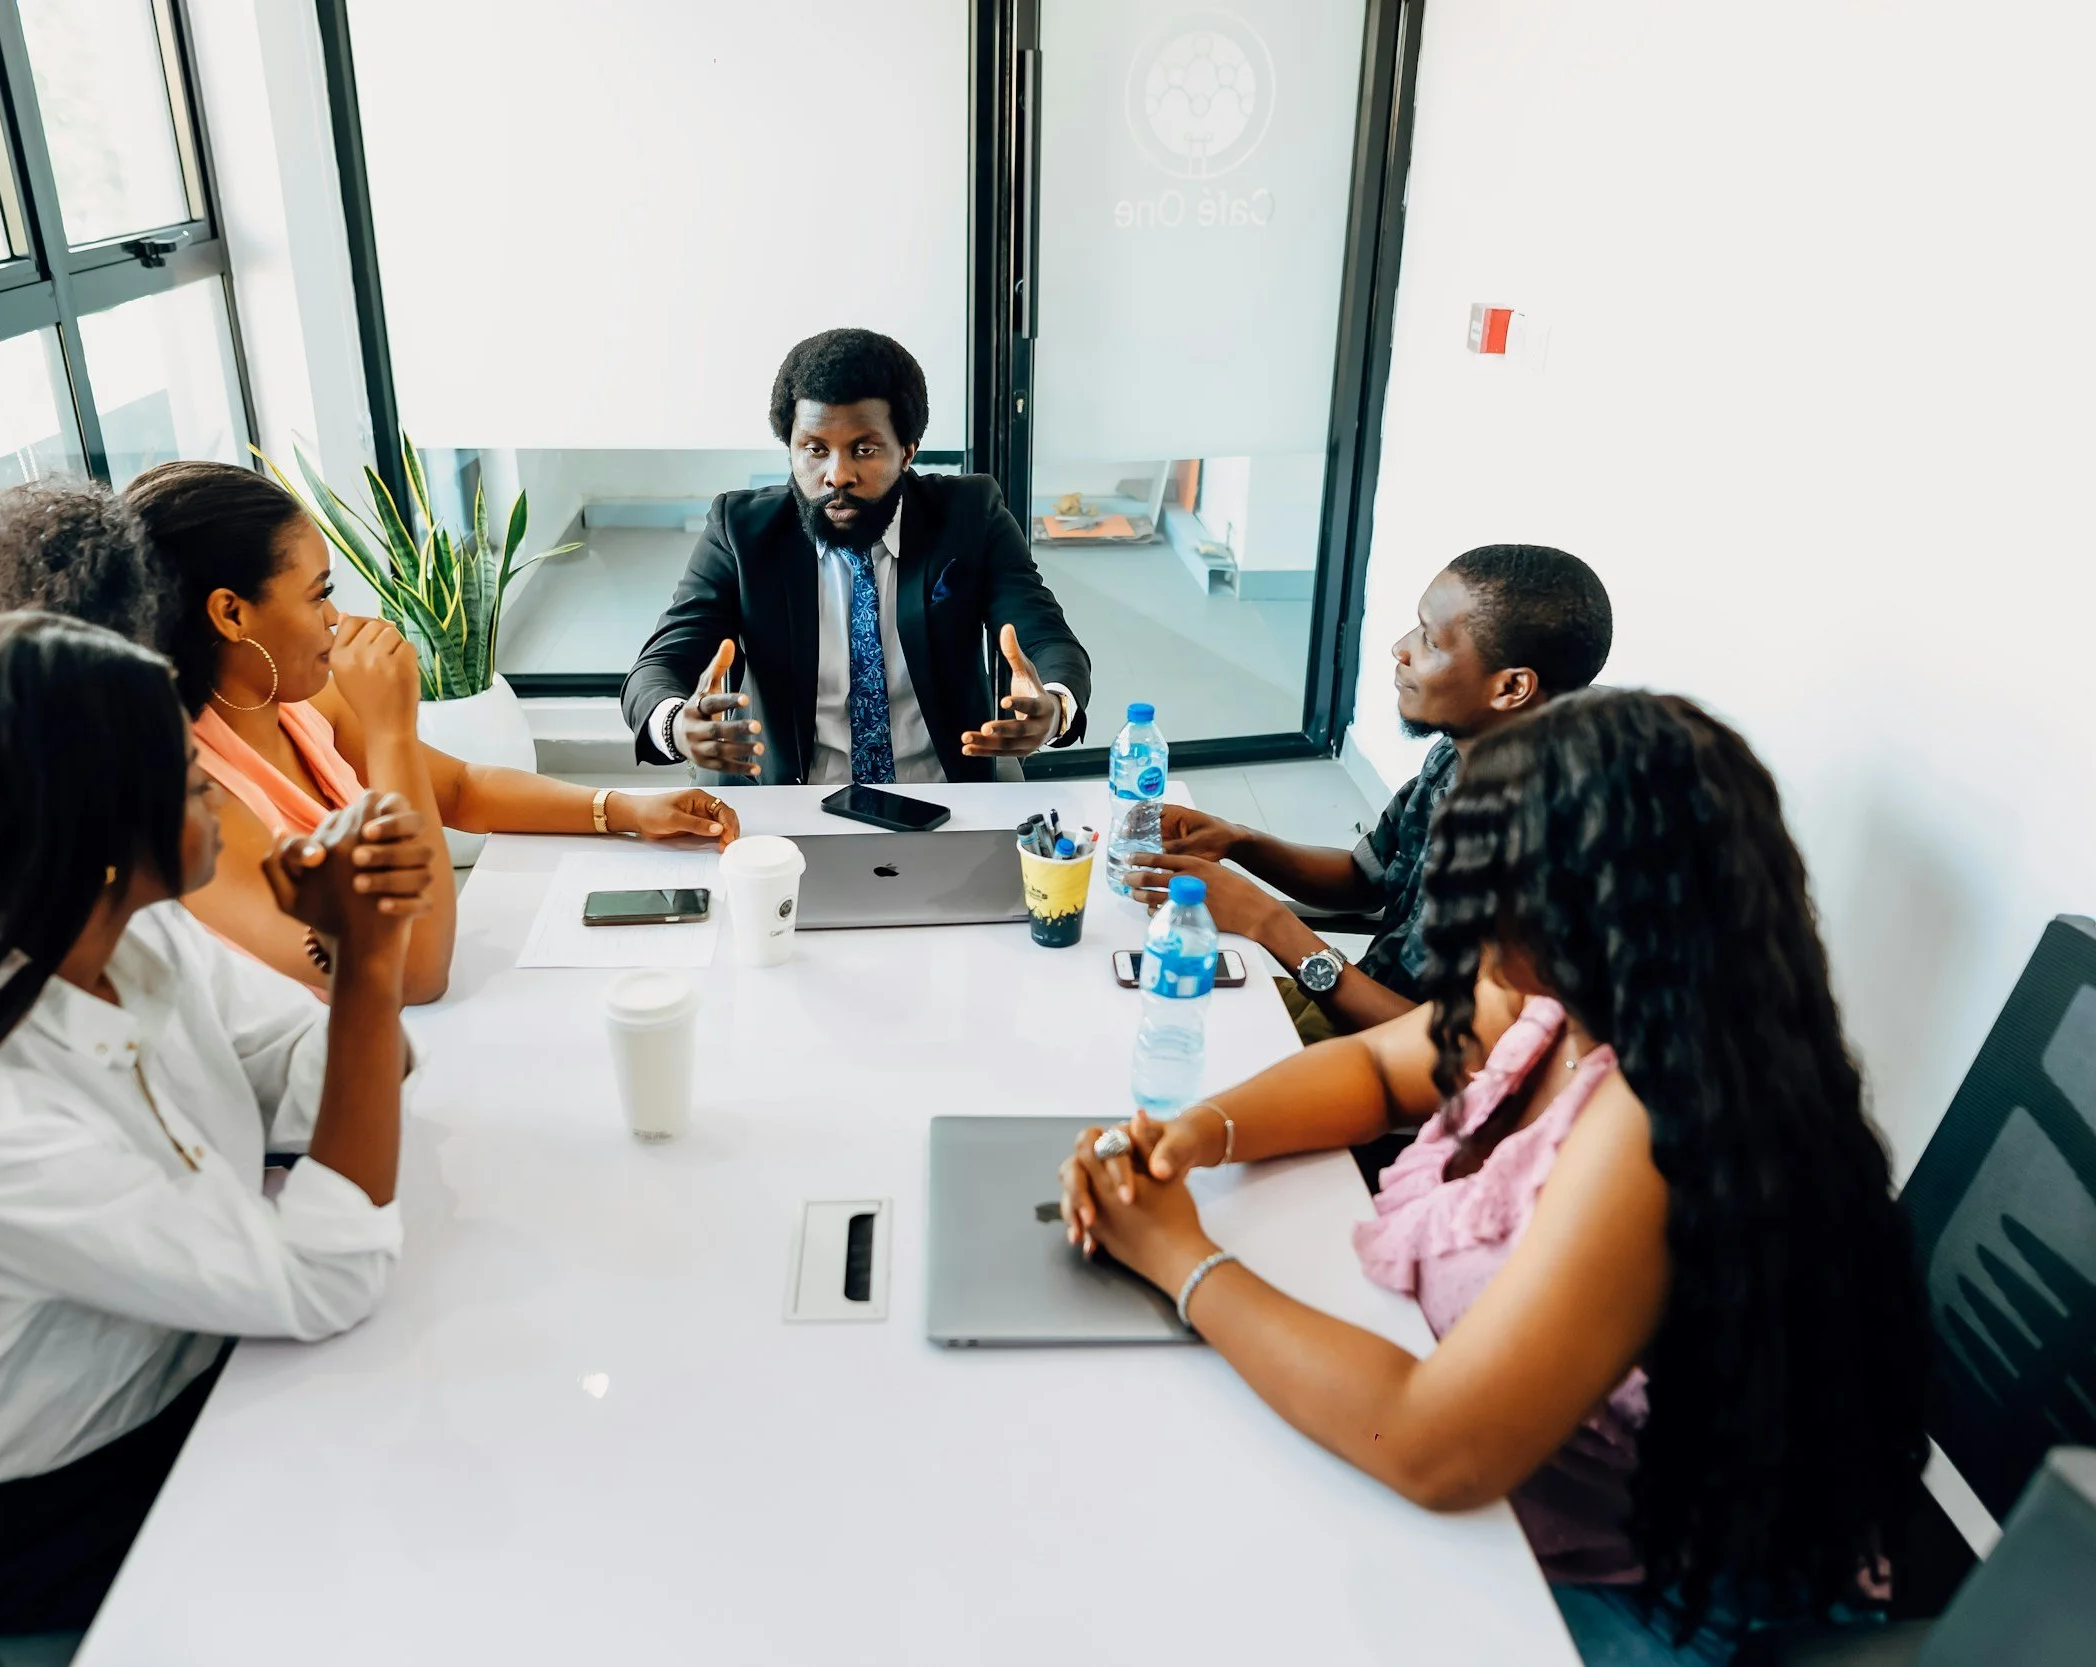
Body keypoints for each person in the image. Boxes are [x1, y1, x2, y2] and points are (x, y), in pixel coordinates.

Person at [1062, 690, 1929, 1666]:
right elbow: (1384, 1066)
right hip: (1501, 1493)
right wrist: (1203, 1128)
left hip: (1637, 1595)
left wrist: (1183, 1258)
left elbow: (1438, 1447)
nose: (1460, 911)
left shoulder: (1654, 1120)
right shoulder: (1569, 994)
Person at [0, 613, 435, 1634]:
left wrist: (351, 955)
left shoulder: (137, 935)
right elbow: (325, 1275)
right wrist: (367, 964)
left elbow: (346, 1070)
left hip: (210, 1377)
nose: (206, 772)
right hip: (69, 1512)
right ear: (90, 819)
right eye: (181, 763)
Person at [118, 463, 737, 1002]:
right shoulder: (185, 798)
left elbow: (462, 789)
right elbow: (413, 974)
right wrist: (389, 730)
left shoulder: (302, 704)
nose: (335, 616)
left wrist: (629, 808)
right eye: (318, 595)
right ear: (231, 613)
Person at [1131, 544, 1611, 1039]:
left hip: (1401, 1074)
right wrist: (1241, 842)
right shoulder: (1462, 752)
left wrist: (1267, 924)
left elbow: (1455, 1057)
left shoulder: (1553, 844)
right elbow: (1366, 879)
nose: (1400, 649)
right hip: (1353, 1008)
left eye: (1429, 640)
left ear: (1511, 688)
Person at [621, 328, 1092, 785]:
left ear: (907, 451)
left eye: (863, 450)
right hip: (790, 797)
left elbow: (1047, 637)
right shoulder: (740, 530)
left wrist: (1054, 707)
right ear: (791, 447)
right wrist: (675, 726)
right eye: (815, 450)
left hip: (945, 788)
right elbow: (660, 664)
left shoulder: (970, 515)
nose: (837, 475)